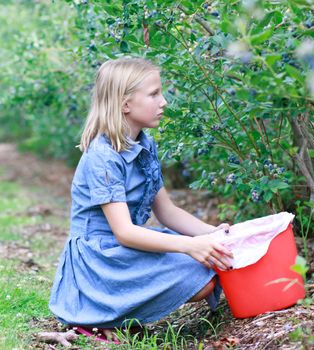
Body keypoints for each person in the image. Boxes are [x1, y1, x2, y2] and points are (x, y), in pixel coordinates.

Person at [48, 57, 234, 339]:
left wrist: (213, 235)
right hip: (101, 259)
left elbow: (167, 211)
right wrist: (189, 246)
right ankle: (97, 316)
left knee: (209, 264)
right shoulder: (103, 156)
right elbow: (123, 233)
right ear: (125, 105)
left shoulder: (144, 145)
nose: (164, 102)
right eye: (154, 94)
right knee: (200, 280)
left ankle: (120, 315)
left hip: (125, 248)